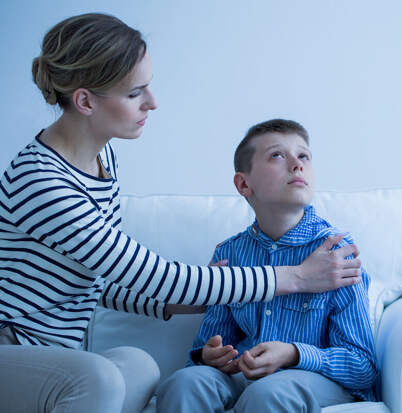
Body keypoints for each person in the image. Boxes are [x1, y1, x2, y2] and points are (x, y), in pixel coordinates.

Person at [0, 14, 363, 413]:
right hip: (13, 346)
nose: (152, 102)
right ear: (85, 101)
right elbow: (148, 274)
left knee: (138, 365)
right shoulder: (42, 182)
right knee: (100, 377)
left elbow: (95, 279)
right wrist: (297, 277)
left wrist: (188, 301)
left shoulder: (103, 162)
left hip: (55, 355)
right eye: (135, 93)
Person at [157, 119, 378, 413]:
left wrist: (294, 354)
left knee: (269, 393)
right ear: (243, 184)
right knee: (185, 383)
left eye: (304, 155)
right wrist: (209, 356)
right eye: (277, 155)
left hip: (316, 378)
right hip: (244, 375)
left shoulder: (336, 253)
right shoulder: (229, 254)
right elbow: (209, 344)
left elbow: (362, 367)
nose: (297, 165)